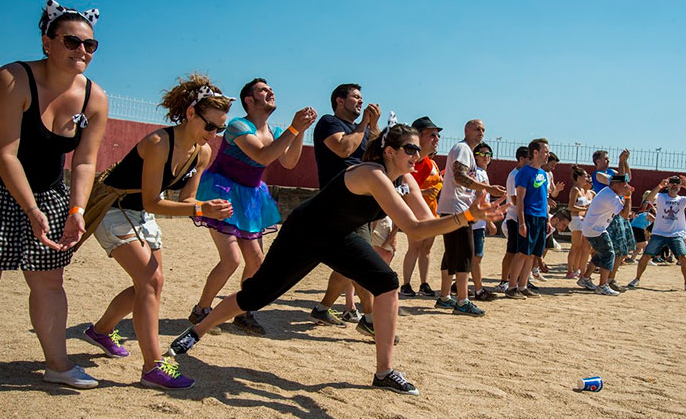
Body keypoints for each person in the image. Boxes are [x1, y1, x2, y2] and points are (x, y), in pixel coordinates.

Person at [165, 124, 508, 395]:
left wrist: (467, 215)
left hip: (340, 237)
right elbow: (414, 228)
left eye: (419, 149)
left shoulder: (404, 179)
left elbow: (421, 224)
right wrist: (464, 218)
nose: (417, 155)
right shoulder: (372, 174)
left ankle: (384, 371)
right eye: (411, 149)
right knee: (257, 294)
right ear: (390, 151)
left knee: (386, 284)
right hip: (305, 232)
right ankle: (197, 330)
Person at [0, 0, 108, 409]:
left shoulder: (95, 98)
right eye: (71, 41)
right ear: (47, 41)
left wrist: (76, 210)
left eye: (90, 45)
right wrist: (31, 211)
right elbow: (4, 152)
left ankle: (58, 364)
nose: (81, 51)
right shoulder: (13, 79)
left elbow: (84, 162)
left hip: (47, 189)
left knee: (49, 280)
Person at [85, 74, 235, 390]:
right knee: (150, 282)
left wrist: (207, 207)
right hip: (114, 209)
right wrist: (200, 210)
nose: (214, 134)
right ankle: (153, 367)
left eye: (220, 129)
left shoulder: (202, 152)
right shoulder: (158, 143)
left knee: (151, 284)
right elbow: (155, 202)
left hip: (140, 213)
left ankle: (101, 330)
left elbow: (186, 200)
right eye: (211, 126)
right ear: (191, 113)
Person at [188, 78, 317, 336]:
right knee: (231, 259)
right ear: (249, 100)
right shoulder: (238, 126)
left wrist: (300, 130)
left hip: (251, 197)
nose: (270, 91)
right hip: (223, 193)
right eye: (263, 89)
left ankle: (244, 312)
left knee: (257, 262)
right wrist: (293, 127)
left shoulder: (276, 133)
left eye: (270, 88)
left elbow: (289, 162)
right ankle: (202, 310)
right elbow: (263, 155)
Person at [310, 83, 382, 331]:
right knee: (361, 258)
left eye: (362, 98)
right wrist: (363, 124)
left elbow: (380, 153)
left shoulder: (360, 130)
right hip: (339, 201)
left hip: (360, 201)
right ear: (340, 100)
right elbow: (343, 149)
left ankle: (322, 309)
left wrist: (373, 126)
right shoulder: (329, 123)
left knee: (349, 260)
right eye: (356, 97)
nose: (361, 102)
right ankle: (371, 319)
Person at [435, 119, 506, 316]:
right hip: (457, 208)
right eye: (477, 128)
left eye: (483, 129)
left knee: (452, 253)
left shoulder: (464, 151)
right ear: (466, 130)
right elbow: (459, 177)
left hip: (454, 207)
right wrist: (487, 188)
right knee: (465, 253)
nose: (481, 132)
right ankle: (462, 300)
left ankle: (444, 296)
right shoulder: (463, 150)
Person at [627, 175, 686, 291]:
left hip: (676, 234)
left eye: (677, 183)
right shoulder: (661, 197)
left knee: (683, 257)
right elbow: (649, 199)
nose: (674, 185)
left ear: (680, 186)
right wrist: (660, 186)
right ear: (668, 185)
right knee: (646, 256)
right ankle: (637, 279)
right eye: (672, 183)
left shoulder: (682, 200)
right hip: (659, 233)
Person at [400, 117, 442, 298]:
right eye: (432, 134)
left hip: (429, 211)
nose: (437, 138)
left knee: (426, 248)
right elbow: (403, 189)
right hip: (411, 213)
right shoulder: (405, 158)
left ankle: (424, 283)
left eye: (438, 135)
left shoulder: (427, 163)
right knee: (413, 247)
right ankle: (406, 284)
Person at [505, 138, 551, 299]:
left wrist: (547, 220)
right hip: (529, 216)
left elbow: (543, 199)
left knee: (532, 254)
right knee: (522, 252)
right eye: (545, 151)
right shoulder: (525, 172)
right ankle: (511, 287)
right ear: (535, 152)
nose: (548, 155)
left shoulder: (543, 174)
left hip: (540, 217)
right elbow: (520, 199)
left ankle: (523, 285)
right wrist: (522, 222)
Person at [576, 173, 633, 295]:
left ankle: (585, 279)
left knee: (601, 254)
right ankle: (602, 285)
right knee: (609, 254)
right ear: (616, 185)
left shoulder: (610, 193)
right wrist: (628, 197)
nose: (626, 187)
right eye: (624, 185)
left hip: (594, 228)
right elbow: (625, 214)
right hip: (595, 229)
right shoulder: (610, 196)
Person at [497, 146, 530, 292]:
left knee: (522, 251)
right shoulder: (514, 175)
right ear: (521, 159)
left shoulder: (525, 174)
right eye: (529, 159)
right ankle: (504, 280)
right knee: (511, 251)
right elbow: (515, 199)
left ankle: (518, 280)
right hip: (513, 217)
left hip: (522, 216)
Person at [471, 142, 499, 301]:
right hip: (477, 220)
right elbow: (478, 197)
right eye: (482, 154)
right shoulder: (478, 173)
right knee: (477, 256)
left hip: (476, 220)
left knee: (472, 255)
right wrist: (488, 220)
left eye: (488, 154)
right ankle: (479, 290)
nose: (486, 156)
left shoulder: (481, 173)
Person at [565, 166, 591, 279]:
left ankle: (577, 269)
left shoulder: (583, 190)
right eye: (585, 176)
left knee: (582, 247)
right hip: (576, 220)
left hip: (583, 220)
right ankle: (570, 270)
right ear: (579, 177)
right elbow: (571, 206)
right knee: (575, 246)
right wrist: (584, 208)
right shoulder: (575, 190)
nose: (586, 178)